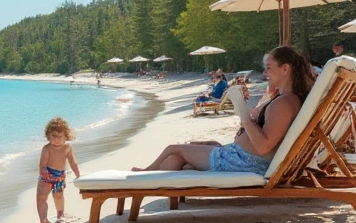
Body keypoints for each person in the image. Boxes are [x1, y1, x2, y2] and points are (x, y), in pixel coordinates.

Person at [134, 46, 315, 176]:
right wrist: (265, 99)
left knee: (174, 149)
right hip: (241, 156)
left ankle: (143, 177)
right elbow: (263, 128)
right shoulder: (285, 99)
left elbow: (263, 146)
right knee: (189, 153)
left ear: (285, 69)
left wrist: (243, 116)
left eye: (269, 67)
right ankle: (162, 182)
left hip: (243, 161)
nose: (265, 72)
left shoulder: (284, 103)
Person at [36, 117, 80, 223]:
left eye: (59, 136)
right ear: (48, 136)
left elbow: (73, 162)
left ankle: (60, 214)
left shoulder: (67, 147)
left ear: (66, 136)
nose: (56, 139)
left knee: (58, 196)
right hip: (47, 175)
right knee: (41, 197)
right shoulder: (47, 149)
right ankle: (43, 221)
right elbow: (42, 165)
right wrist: (43, 172)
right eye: (53, 136)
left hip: (59, 176)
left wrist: (78, 175)